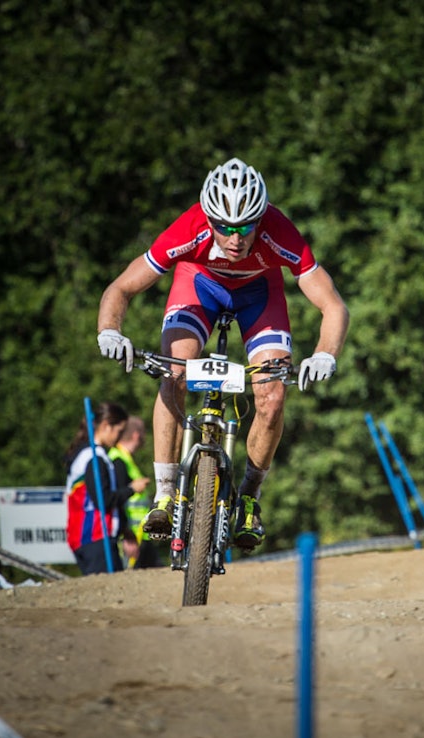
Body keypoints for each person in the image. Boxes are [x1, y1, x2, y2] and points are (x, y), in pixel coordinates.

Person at [95, 157, 349, 551]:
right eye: (225, 227)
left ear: (260, 219)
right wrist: (109, 331)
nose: (236, 238)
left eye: (246, 226)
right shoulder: (189, 228)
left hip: (258, 294)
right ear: (208, 218)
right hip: (199, 285)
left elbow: (333, 306)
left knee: (272, 394)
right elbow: (120, 289)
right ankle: (165, 494)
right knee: (175, 371)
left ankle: (249, 496)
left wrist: (324, 355)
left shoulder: (280, 232)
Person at [64, 402, 151, 576]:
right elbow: (103, 500)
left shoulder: (90, 455)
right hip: (94, 537)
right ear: (106, 427)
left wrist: (124, 530)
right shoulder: (93, 458)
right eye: (118, 431)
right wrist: (131, 489)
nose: (118, 438)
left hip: (92, 538)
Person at [107, 415, 157, 568]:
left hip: (140, 534)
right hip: (131, 538)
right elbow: (117, 499)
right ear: (136, 435)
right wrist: (126, 534)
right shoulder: (118, 459)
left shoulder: (126, 458)